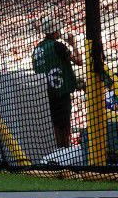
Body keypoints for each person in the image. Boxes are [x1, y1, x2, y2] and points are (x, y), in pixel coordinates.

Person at [32, 17, 83, 148]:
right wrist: (73, 44)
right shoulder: (58, 46)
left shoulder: (37, 49)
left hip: (45, 94)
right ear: (55, 32)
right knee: (64, 126)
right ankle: (64, 152)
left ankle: (58, 153)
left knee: (54, 125)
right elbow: (79, 61)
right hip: (61, 91)